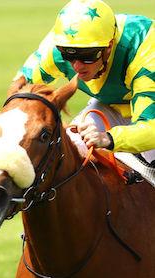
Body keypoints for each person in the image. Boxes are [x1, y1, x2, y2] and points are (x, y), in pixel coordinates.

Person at [14, 0, 155, 173]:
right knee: (70, 149)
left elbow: (151, 128)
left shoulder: (144, 51)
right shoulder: (59, 46)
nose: (77, 66)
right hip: (112, 105)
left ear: (109, 47)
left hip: (150, 114)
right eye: (68, 55)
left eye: (88, 55)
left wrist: (109, 139)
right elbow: (17, 91)